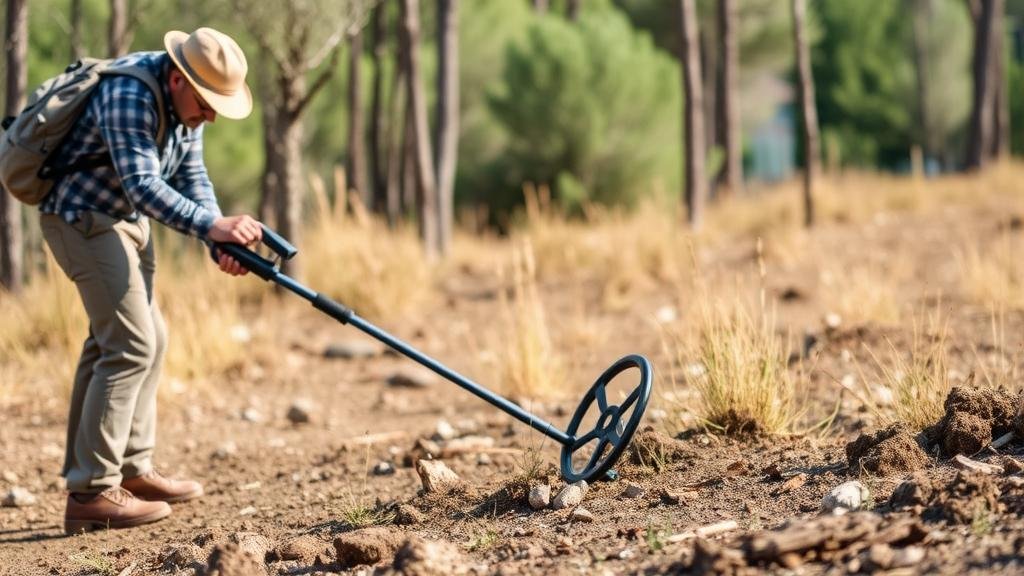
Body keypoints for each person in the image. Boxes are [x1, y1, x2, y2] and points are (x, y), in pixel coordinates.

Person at [39, 27, 262, 534]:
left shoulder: (189, 100)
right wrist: (210, 225)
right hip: (81, 218)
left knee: (142, 338)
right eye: (207, 105)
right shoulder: (129, 93)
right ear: (180, 78)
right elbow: (143, 185)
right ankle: (92, 492)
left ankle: (132, 472)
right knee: (130, 342)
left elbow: (193, 176)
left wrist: (217, 235)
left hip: (123, 223)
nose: (209, 116)